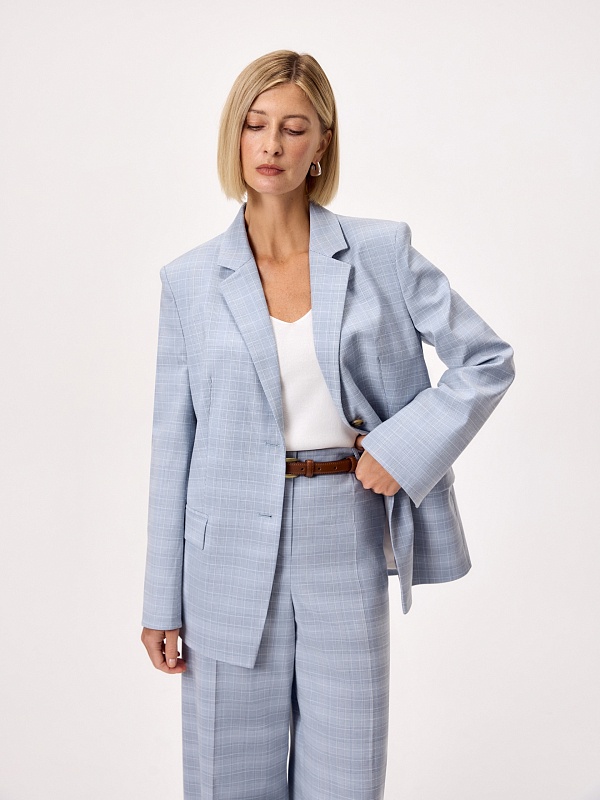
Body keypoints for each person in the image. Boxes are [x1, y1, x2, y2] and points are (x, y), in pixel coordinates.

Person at [140, 49, 515, 800]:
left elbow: (486, 360)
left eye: (292, 128)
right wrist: (160, 600)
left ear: (321, 143)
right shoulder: (188, 280)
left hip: (344, 534)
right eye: (255, 125)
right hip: (222, 554)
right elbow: (172, 443)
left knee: (346, 776)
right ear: (234, 135)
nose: (271, 145)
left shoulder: (381, 252)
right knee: (225, 779)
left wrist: (402, 450)